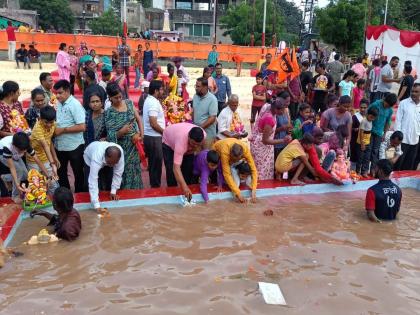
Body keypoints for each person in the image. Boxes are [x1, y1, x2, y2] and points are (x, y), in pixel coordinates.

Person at [105, 83, 143, 189]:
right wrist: (122, 131)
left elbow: (139, 119)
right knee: (123, 172)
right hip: (121, 149)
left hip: (134, 146)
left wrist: (140, 135)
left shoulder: (129, 103)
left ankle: (136, 195)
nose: (119, 99)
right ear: (110, 98)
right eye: (116, 98)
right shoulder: (109, 113)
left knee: (135, 170)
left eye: (120, 96)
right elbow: (110, 135)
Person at [53, 80, 86, 192]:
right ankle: (65, 195)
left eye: (60, 93)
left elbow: (82, 127)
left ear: (67, 91)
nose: (57, 95)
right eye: (56, 93)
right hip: (60, 146)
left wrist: (63, 130)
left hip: (74, 146)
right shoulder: (58, 103)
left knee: (78, 173)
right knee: (61, 172)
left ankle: (80, 196)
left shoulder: (75, 105)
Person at [0, 132, 49, 203]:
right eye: (22, 150)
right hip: (2, 154)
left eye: (25, 149)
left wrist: (48, 175)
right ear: (14, 146)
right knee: (19, 170)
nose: (25, 151)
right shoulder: (7, 147)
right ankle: (14, 196)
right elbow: (12, 168)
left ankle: (6, 178)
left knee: (27, 175)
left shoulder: (25, 145)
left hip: (15, 154)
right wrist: (17, 185)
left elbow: (37, 160)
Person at [250, 98, 291, 180]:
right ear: (276, 109)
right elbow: (265, 141)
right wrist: (283, 140)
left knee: (259, 170)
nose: (283, 112)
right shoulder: (270, 119)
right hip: (261, 148)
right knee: (262, 172)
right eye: (282, 110)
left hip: (259, 144)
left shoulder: (268, 108)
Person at [162, 123, 205, 199]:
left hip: (183, 142)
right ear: (188, 137)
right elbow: (176, 168)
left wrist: (193, 148)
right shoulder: (181, 142)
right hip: (168, 143)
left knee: (188, 169)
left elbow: (199, 150)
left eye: (197, 144)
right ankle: (172, 195)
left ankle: (188, 194)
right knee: (171, 171)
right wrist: (184, 187)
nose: (195, 146)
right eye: (193, 143)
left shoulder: (203, 135)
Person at [27, 106, 60, 194]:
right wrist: (52, 164)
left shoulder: (53, 124)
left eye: (51, 122)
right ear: (40, 119)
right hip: (33, 160)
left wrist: (55, 157)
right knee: (36, 184)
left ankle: (54, 202)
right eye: (46, 122)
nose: (49, 125)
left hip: (46, 158)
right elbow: (45, 146)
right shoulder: (38, 128)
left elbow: (49, 142)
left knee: (52, 183)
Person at [213, 138, 258, 203]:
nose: (234, 161)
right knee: (220, 171)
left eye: (237, 159)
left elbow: (253, 169)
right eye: (233, 159)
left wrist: (254, 190)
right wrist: (238, 194)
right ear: (230, 154)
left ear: (242, 155)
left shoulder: (246, 151)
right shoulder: (225, 152)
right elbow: (227, 174)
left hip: (230, 151)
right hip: (217, 151)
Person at [83, 141, 124, 211]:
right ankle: (93, 199)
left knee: (109, 180)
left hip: (105, 158)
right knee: (89, 183)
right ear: (105, 156)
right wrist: (96, 205)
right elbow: (93, 180)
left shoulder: (120, 155)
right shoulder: (96, 157)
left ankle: (109, 192)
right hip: (89, 158)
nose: (112, 165)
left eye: (115, 163)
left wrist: (113, 192)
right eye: (110, 163)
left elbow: (118, 173)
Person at [367, 93, 397, 174]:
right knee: (368, 150)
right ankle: (365, 170)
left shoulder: (390, 110)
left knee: (375, 151)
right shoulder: (375, 104)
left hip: (379, 133)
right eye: (387, 104)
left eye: (389, 106)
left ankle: (373, 170)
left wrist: (384, 133)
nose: (387, 107)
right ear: (384, 100)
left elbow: (388, 122)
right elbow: (367, 115)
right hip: (370, 131)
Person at [142, 80, 165, 188]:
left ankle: (154, 185)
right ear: (156, 90)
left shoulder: (151, 100)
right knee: (156, 164)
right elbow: (153, 123)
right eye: (161, 89)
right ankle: (155, 187)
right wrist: (165, 132)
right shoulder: (153, 102)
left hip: (152, 136)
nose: (163, 91)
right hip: (154, 137)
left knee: (154, 163)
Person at [394, 83, 420, 170]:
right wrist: (397, 137)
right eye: (412, 91)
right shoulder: (403, 103)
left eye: (416, 92)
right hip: (402, 140)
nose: (413, 93)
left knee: (408, 165)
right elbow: (398, 121)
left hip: (415, 140)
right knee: (398, 164)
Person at [355, 107, 378, 176]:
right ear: (367, 114)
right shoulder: (364, 121)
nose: (372, 119)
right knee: (360, 158)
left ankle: (364, 171)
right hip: (361, 143)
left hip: (368, 143)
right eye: (371, 117)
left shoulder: (371, 121)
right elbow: (361, 133)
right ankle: (358, 171)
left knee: (367, 158)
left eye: (374, 118)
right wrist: (362, 143)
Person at [350, 99, 368, 167]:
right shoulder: (355, 117)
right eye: (361, 107)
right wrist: (356, 129)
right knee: (354, 157)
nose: (363, 109)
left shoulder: (369, 117)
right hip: (355, 141)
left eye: (365, 108)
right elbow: (350, 128)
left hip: (365, 141)